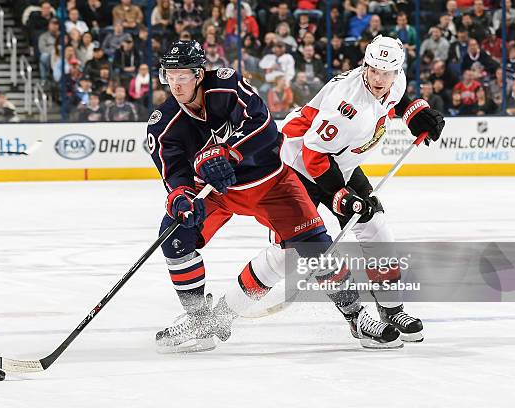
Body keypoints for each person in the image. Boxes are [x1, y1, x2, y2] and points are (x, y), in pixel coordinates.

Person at [148, 40, 403, 354]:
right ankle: (200, 320)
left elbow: (266, 128)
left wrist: (228, 154)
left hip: (271, 183)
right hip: (215, 193)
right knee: (174, 239)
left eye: (183, 75)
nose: (175, 83)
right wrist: (181, 198)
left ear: (199, 74)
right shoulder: (162, 124)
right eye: (169, 76)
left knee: (317, 249)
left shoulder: (228, 86)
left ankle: (358, 318)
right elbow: (173, 173)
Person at [279, 36, 446, 342]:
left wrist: (416, 114)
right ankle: (355, 317)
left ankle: (391, 309)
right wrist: (340, 195)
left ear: (397, 71)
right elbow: (313, 154)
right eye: (374, 71)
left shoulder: (394, 82)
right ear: (365, 66)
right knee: (299, 252)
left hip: (339, 163)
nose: (380, 78)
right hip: (297, 168)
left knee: (376, 228)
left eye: (387, 72)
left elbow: (397, 101)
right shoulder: (346, 103)